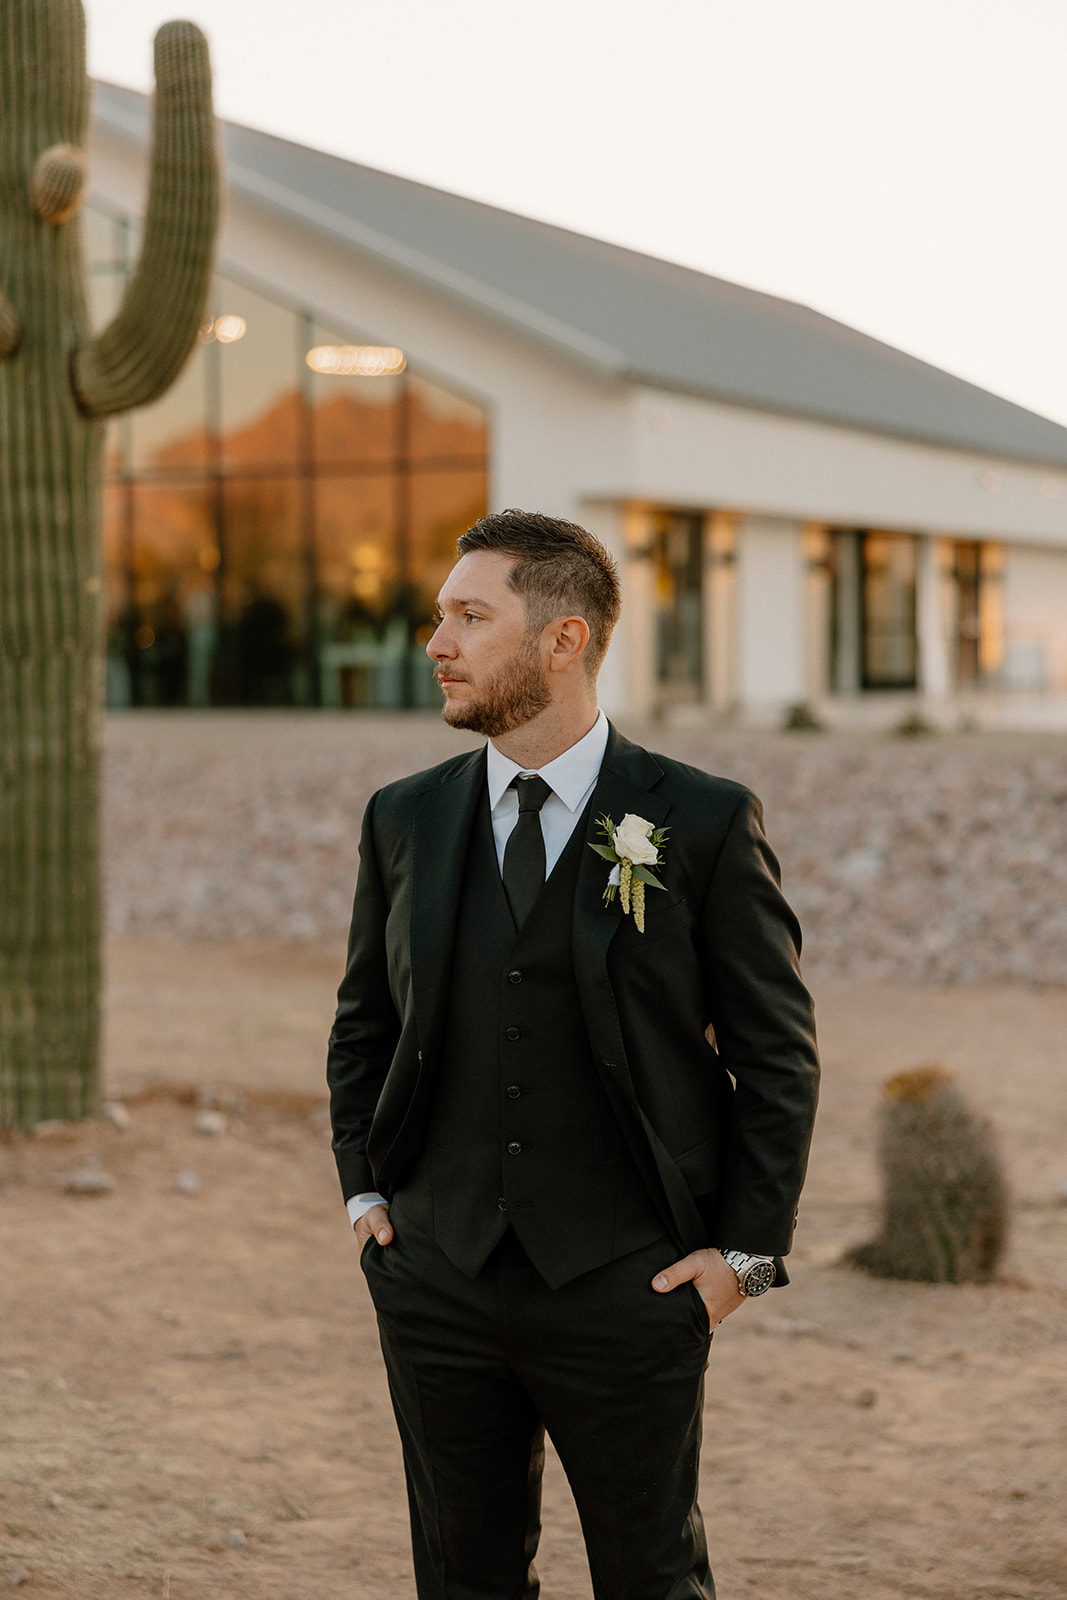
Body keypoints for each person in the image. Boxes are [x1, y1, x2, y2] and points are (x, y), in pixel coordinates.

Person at [327, 508, 820, 1600]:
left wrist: (741, 1260)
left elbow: (776, 1059)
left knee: (650, 1579)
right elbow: (364, 1020)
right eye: (439, 614)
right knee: (461, 1581)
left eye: (469, 615)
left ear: (564, 640)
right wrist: (365, 1194)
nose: (434, 641)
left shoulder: (696, 820)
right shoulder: (402, 818)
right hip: (435, 1279)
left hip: (629, 1284)